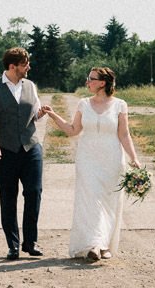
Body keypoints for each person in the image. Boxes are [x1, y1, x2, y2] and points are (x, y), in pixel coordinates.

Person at [41, 66, 140, 262]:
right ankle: (94, 245)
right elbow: (72, 130)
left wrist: (134, 158)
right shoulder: (83, 104)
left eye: (91, 79)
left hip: (112, 160)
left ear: (102, 83)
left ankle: (104, 245)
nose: (88, 82)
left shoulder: (120, 105)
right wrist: (53, 115)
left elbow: (124, 134)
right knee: (91, 202)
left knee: (109, 203)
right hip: (88, 160)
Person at [0, 47, 46, 260]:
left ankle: (30, 242)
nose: (29, 67)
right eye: (25, 64)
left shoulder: (31, 86)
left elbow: (33, 114)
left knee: (34, 192)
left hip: (31, 147)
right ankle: (13, 245)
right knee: (8, 198)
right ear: (12, 66)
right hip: (5, 151)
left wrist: (40, 113)